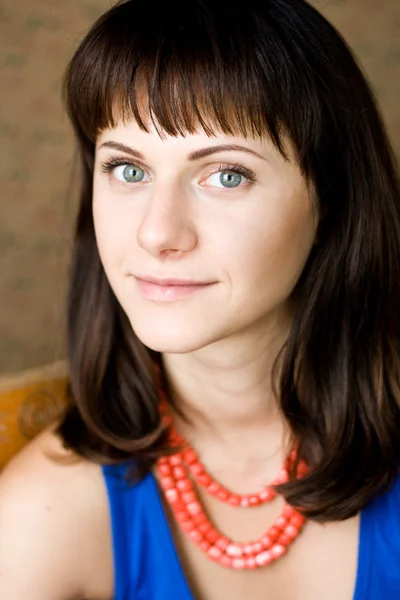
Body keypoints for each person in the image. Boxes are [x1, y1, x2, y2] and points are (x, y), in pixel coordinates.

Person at [1, 0, 399, 598]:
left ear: (332, 200)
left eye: (226, 175)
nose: (157, 233)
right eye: (128, 170)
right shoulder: (39, 517)